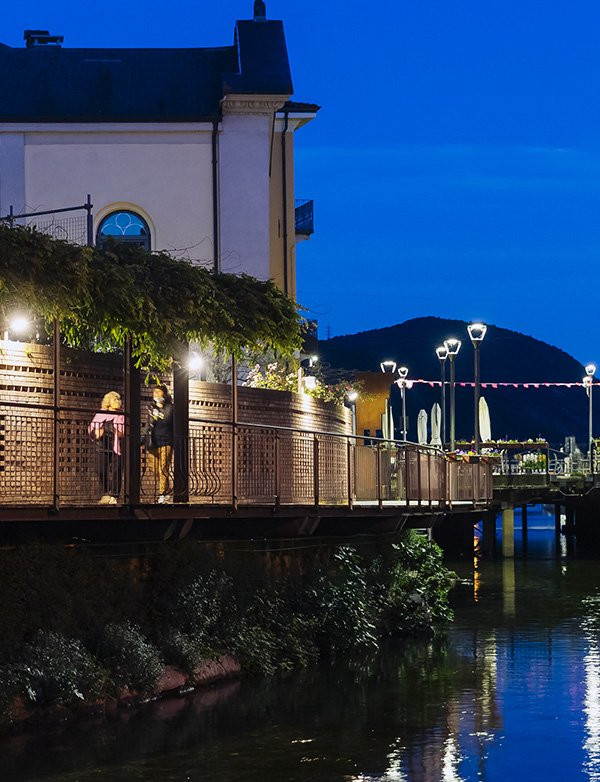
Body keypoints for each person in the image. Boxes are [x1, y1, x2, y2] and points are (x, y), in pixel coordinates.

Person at [88, 391, 125, 504]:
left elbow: (123, 432)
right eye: (115, 400)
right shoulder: (101, 413)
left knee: (116, 471)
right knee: (100, 470)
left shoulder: (122, 414)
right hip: (102, 446)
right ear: (108, 402)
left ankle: (114, 495)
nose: (118, 402)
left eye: (118, 399)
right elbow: (91, 428)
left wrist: (117, 431)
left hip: (116, 446)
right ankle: (107, 492)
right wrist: (96, 433)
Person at [148, 384, 174, 503]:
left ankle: (162, 494)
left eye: (158, 392)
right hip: (153, 442)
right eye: (154, 392)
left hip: (166, 441)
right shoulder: (151, 407)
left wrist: (158, 410)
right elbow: (150, 423)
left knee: (163, 468)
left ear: (164, 394)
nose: (156, 394)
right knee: (154, 468)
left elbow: (166, 420)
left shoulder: (169, 407)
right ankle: (167, 489)